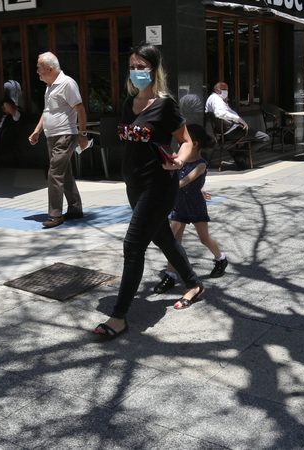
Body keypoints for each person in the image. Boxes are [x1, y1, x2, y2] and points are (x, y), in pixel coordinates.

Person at [92, 43, 204, 340]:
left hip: (158, 184)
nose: (136, 72)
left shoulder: (165, 104)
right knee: (162, 237)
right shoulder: (129, 104)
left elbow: (187, 140)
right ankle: (193, 283)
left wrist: (179, 160)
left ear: (154, 71)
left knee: (133, 245)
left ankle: (118, 317)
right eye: (132, 66)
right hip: (134, 185)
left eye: (142, 67)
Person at [153, 123, 228, 297]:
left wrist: (168, 188)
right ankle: (170, 275)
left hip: (195, 206)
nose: (180, 145)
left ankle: (221, 258)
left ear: (194, 143)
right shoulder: (180, 159)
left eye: (183, 141)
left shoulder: (201, 164)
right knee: (173, 242)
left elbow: (185, 181)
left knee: (204, 238)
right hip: (179, 206)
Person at [28, 51, 89, 229]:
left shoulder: (67, 83)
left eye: (39, 68)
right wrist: (37, 130)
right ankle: (75, 208)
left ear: (49, 68)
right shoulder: (50, 85)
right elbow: (47, 111)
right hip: (51, 136)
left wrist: (82, 135)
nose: (37, 71)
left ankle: (55, 214)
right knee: (65, 173)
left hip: (65, 135)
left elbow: (80, 109)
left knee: (54, 173)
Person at [205, 81, 269, 170]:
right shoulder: (216, 99)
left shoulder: (215, 99)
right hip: (231, 131)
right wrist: (239, 120)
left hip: (228, 130)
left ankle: (239, 155)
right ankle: (242, 154)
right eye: (224, 89)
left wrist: (226, 103)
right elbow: (220, 113)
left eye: (227, 89)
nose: (226, 91)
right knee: (265, 138)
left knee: (237, 144)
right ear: (217, 90)